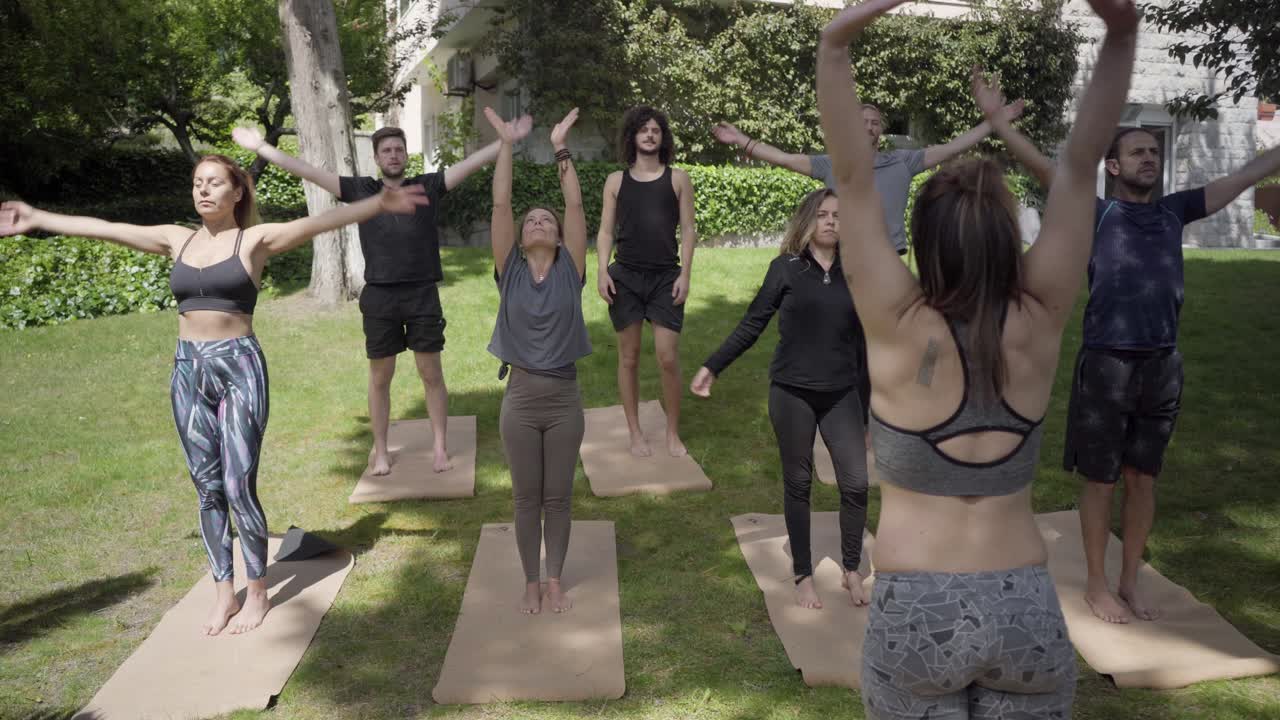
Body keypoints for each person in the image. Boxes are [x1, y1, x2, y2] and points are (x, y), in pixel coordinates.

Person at [815, 0, 1137, 716]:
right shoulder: (1042, 314)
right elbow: (1081, 168)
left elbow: (854, 175)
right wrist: (1121, 33)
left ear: (923, 241)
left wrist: (836, 44)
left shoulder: (894, 321)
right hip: (1022, 600)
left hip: (914, 607)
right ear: (1005, 234)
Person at [0, 156, 426, 636]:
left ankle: (258, 591)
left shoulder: (254, 241)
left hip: (238, 366)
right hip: (188, 371)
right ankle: (224, 592)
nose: (203, 191)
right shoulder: (175, 239)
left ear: (237, 192)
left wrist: (377, 203)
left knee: (238, 481)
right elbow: (108, 228)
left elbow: (320, 221)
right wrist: (38, 218)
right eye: (197, 183)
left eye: (215, 183)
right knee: (207, 486)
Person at [997, 113, 1280, 625]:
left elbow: (1245, 176)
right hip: (1107, 363)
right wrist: (1000, 121)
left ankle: (1129, 580)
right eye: (1138, 152)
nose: (1149, 157)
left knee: (1143, 478)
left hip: (1163, 365)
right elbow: (1044, 169)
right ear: (1112, 165)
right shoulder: (1097, 212)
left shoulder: (1176, 211)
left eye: (1154, 151)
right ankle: (1098, 587)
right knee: (1102, 481)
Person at [234, 125, 502, 476]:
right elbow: (308, 171)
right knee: (380, 376)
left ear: (406, 155)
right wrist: (261, 147)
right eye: (387, 150)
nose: (393, 155)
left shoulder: (427, 187)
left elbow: (471, 164)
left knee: (430, 373)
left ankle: (439, 448)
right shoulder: (363, 190)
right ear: (376, 159)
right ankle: (380, 451)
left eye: (398, 149)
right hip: (379, 297)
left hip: (422, 293)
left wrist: (503, 141)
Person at [691, 189, 871, 610]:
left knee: (857, 484)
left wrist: (867, 412)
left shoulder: (857, 273)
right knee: (799, 482)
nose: (831, 222)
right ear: (808, 221)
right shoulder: (785, 269)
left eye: (838, 216)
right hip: (792, 392)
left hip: (842, 392)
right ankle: (804, 574)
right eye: (823, 215)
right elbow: (751, 325)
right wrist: (713, 365)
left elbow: (865, 349)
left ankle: (850, 568)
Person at [485, 107, 592, 615]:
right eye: (532, 221)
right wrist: (505, 144)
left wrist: (559, 147)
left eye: (544, 219)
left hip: (565, 397)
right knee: (526, 499)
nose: (538, 223)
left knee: (560, 498)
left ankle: (555, 580)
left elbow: (574, 205)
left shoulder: (572, 267)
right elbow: (502, 204)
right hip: (522, 399)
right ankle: (531, 580)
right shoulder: (509, 271)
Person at [711, 99, 1026, 258]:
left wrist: (994, 122)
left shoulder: (903, 161)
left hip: (890, 258)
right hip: (842, 256)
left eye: (875, 122)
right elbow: (784, 158)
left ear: (880, 130)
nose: (869, 126)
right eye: (862, 121)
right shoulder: (831, 164)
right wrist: (742, 140)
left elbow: (954, 147)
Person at [596, 106, 698, 458]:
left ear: (662, 137)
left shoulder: (678, 178)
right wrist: (601, 270)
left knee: (667, 357)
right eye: (644, 130)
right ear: (633, 137)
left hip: (666, 278)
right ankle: (635, 432)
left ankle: (672, 433)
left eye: (656, 130)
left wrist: (686, 273)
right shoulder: (615, 181)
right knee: (629, 357)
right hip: (624, 276)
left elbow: (688, 229)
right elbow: (606, 230)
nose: (650, 134)